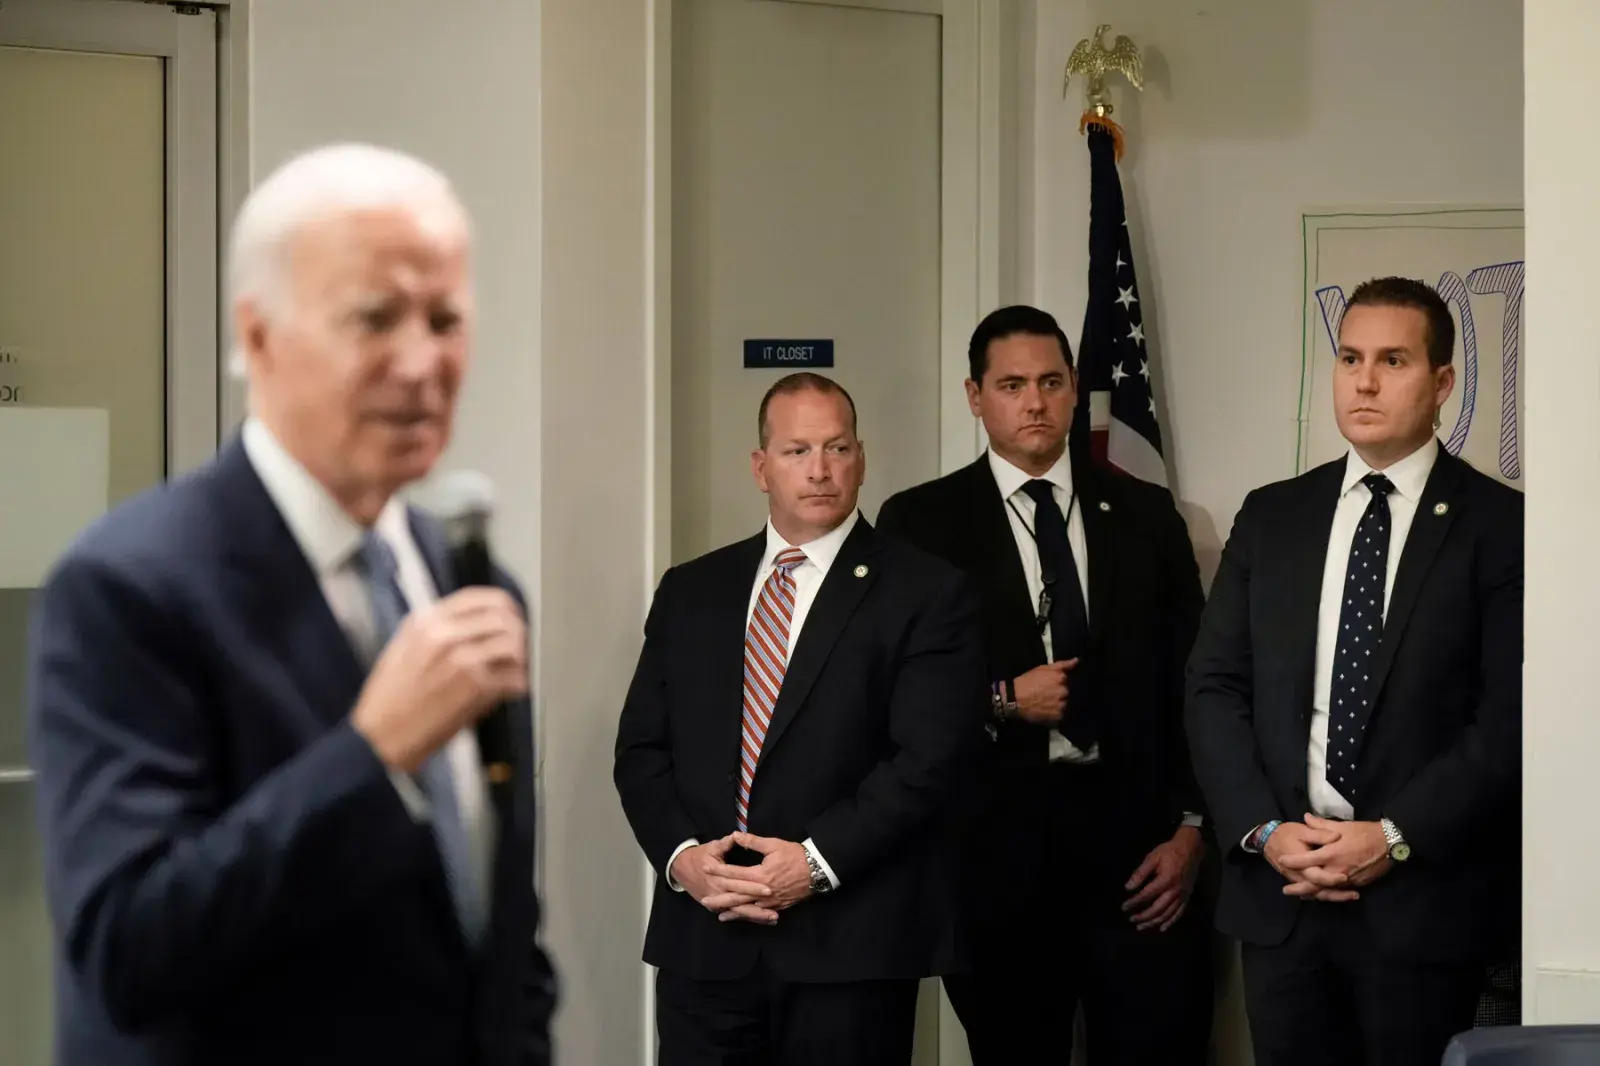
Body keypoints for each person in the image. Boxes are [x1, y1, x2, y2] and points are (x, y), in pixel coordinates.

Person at [25, 144, 557, 1066]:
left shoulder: (470, 582)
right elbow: (129, 950)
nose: (423, 362)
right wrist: (373, 753)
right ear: (258, 334)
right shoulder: (129, 589)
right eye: (375, 318)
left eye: (446, 318)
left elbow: (495, 921)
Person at [1185, 276, 1523, 1066]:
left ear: (1442, 382)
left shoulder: (1499, 525)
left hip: (1421, 904)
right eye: (1349, 357)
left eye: (1393, 360)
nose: (1364, 381)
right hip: (1283, 894)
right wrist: (1265, 833)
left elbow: (1506, 720)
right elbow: (1213, 687)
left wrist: (1394, 837)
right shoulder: (1273, 515)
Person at [613, 372, 984, 1065]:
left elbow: (929, 760)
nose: (819, 470)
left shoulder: (926, 591)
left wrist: (814, 864)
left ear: (861, 458)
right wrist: (682, 861)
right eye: (796, 451)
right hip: (706, 942)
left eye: (837, 449)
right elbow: (641, 751)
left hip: (849, 948)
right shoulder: (693, 590)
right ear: (761, 467)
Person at [876, 305, 1213, 1065]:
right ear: (975, 396)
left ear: (1074, 389)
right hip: (994, 865)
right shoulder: (919, 524)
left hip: (1139, 860)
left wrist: (1194, 830)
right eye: (1012, 384)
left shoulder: (1146, 514)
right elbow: (888, 699)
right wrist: (1003, 700)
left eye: (1052, 382)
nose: (1034, 402)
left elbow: (1198, 684)